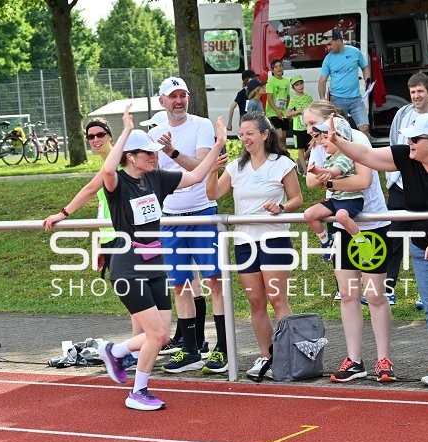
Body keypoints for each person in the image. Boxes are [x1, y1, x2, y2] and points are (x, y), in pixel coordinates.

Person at [326, 111, 428, 390]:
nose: (409, 143)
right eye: (408, 138)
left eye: (415, 138)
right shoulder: (406, 157)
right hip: (424, 246)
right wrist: (338, 142)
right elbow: (367, 156)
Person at [93, 105, 227, 410]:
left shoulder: (156, 179)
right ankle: (137, 391)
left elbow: (193, 176)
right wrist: (126, 131)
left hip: (155, 266)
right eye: (148, 153)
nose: (155, 157)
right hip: (128, 267)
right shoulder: (118, 184)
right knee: (155, 333)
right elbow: (108, 171)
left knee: (163, 336)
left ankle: (113, 351)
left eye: (155, 153)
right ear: (131, 156)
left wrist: (218, 144)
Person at [302, 99, 396, 383]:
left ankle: (384, 359)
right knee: (348, 294)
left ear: (329, 118)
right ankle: (355, 360)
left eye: (311, 124)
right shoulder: (319, 144)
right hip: (343, 228)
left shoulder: (356, 138)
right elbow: (309, 182)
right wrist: (324, 179)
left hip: (372, 225)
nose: (308, 131)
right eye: (306, 126)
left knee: (376, 296)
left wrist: (328, 183)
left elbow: (363, 181)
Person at [205, 111, 303, 378]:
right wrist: (212, 171)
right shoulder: (236, 166)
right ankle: (266, 356)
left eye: (250, 133)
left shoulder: (281, 163)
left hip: (274, 240)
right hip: (245, 242)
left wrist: (281, 206)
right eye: (242, 133)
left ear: (264, 134)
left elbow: (297, 199)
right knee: (255, 301)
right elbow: (213, 194)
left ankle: (288, 357)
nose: (245, 138)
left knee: (277, 299)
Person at [43, 117, 142, 372]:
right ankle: (137, 348)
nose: (95, 140)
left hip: (126, 238)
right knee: (131, 299)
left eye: (100, 135)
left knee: (136, 300)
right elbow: (103, 207)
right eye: (90, 136)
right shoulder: (106, 163)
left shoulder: (120, 162)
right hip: (111, 239)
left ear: (110, 135)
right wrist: (99, 242)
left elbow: (89, 190)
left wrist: (61, 214)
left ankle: (137, 350)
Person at [148, 76, 230, 374]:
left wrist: (170, 153)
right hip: (169, 217)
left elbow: (200, 166)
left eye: (183, 95)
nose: (179, 101)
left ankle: (223, 348)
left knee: (214, 281)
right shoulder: (155, 131)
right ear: (163, 101)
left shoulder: (201, 125)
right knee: (180, 284)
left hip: (202, 212)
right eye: (173, 96)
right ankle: (192, 350)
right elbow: (152, 172)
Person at [386, 72, 428, 309]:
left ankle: (426, 294)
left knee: (426, 236)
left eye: (420, 91)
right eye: (412, 92)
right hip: (401, 185)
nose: (416, 96)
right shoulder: (402, 114)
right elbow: (394, 145)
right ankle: (388, 288)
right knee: (393, 236)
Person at [303, 115, 369, 261]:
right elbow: (323, 176)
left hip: (351, 200)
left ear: (340, 139)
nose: (321, 142)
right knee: (309, 214)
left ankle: (362, 242)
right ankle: (326, 241)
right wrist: (316, 171)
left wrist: (318, 172)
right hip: (336, 199)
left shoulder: (346, 156)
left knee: (341, 216)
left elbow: (335, 172)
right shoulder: (329, 158)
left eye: (326, 138)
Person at [318, 29, 372, 136]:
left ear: (338, 41)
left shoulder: (355, 52)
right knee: (340, 132)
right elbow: (322, 81)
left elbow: (365, 67)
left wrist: (368, 80)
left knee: (364, 128)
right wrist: (323, 99)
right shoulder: (328, 59)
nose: (328, 48)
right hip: (337, 100)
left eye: (329, 44)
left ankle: (364, 152)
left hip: (356, 99)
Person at [286, 74, 314, 176]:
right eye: (297, 85)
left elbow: (313, 110)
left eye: (301, 83)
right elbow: (288, 113)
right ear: (293, 88)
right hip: (298, 127)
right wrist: (298, 111)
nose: (300, 86)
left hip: (309, 127)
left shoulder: (309, 98)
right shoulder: (293, 100)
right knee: (301, 148)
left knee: (313, 145)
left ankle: (309, 165)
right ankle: (305, 170)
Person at [265, 59, 290, 147]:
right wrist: (277, 111)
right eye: (276, 67)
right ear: (272, 70)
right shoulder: (271, 82)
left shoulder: (286, 81)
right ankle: (277, 153)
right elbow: (269, 98)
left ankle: (285, 155)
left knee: (284, 137)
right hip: (273, 113)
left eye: (280, 66)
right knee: (279, 135)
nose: (279, 68)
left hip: (283, 112)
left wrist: (287, 111)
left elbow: (287, 97)